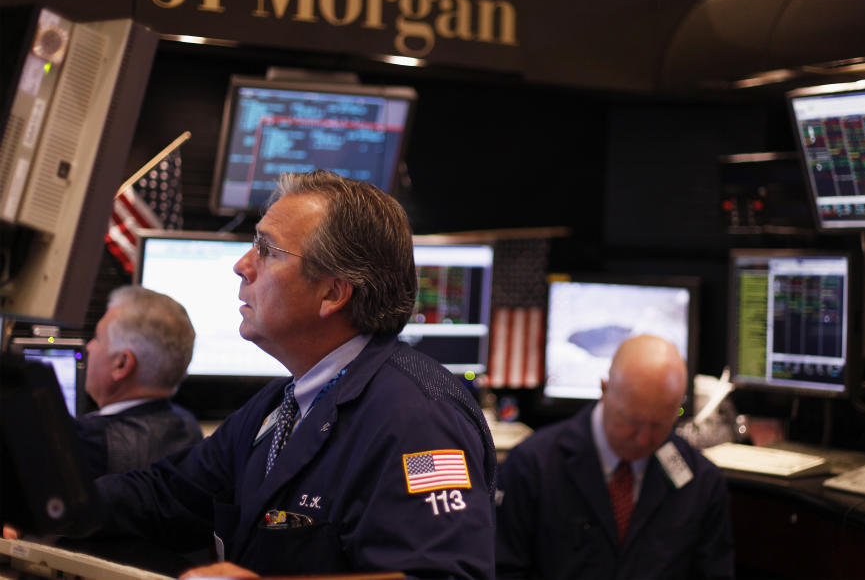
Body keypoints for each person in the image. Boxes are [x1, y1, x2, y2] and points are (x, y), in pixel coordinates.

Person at [90, 170, 497, 579]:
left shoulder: (420, 419)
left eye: (267, 250)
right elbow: (164, 497)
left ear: (333, 293)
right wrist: (50, 508)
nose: (241, 265)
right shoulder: (281, 406)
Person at [495, 334, 734, 579]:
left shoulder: (700, 482)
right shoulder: (532, 466)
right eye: (631, 421)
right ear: (604, 389)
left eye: (659, 425)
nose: (643, 439)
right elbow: (502, 569)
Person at [77, 285, 203, 477]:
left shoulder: (84, 440)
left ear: (121, 364)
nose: (89, 347)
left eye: (97, 337)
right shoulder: (188, 425)